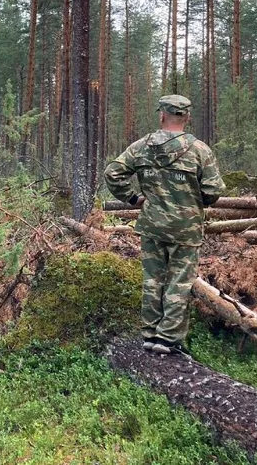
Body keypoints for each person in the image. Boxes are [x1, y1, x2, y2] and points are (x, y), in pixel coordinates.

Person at [105, 94, 225, 355]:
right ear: (187, 117)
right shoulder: (199, 150)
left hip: (152, 225)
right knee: (179, 282)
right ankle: (168, 338)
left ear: (162, 115)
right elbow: (213, 191)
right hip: (186, 228)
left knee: (153, 279)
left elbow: (112, 173)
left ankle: (150, 334)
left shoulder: (141, 147)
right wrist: (193, 201)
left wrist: (132, 198)